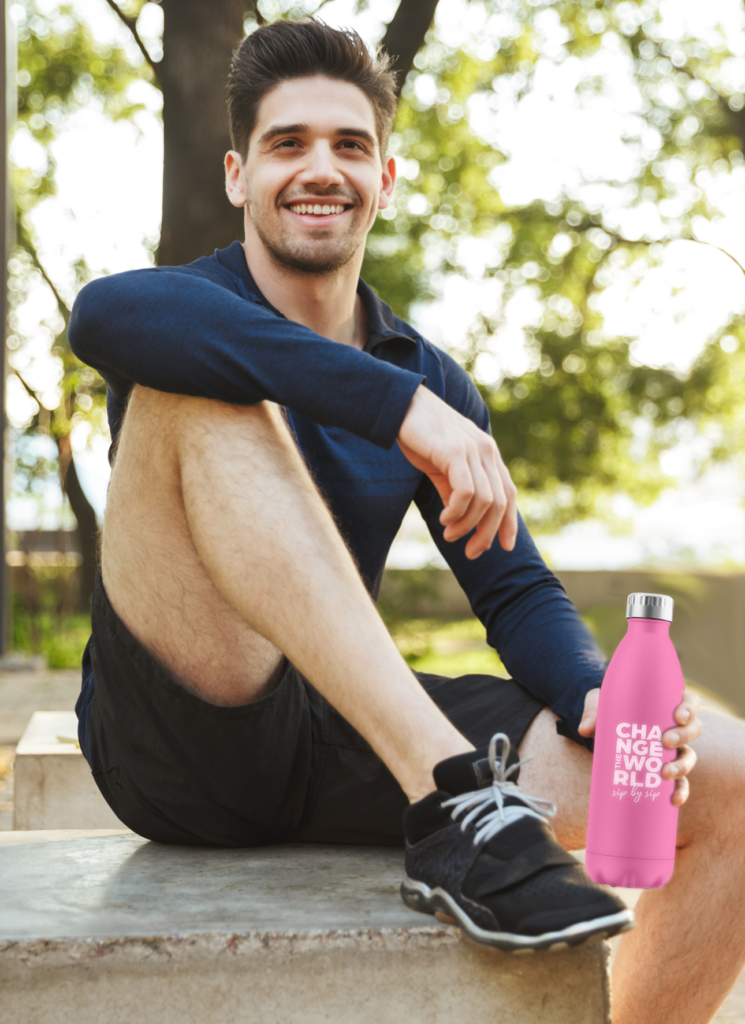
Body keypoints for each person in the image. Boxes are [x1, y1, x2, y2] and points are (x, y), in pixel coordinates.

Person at [69, 17, 745, 1023]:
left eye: (349, 145)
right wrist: (395, 411)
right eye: (286, 143)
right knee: (200, 387)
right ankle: (453, 801)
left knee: (732, 778)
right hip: (179, 739)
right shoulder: (186, 312)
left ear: (385, 179)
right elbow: (100, 315)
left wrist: (593, 691)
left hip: (339, 732)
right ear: (235, 176)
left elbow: (512, 584)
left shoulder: (428, 373)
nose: (319, 168)